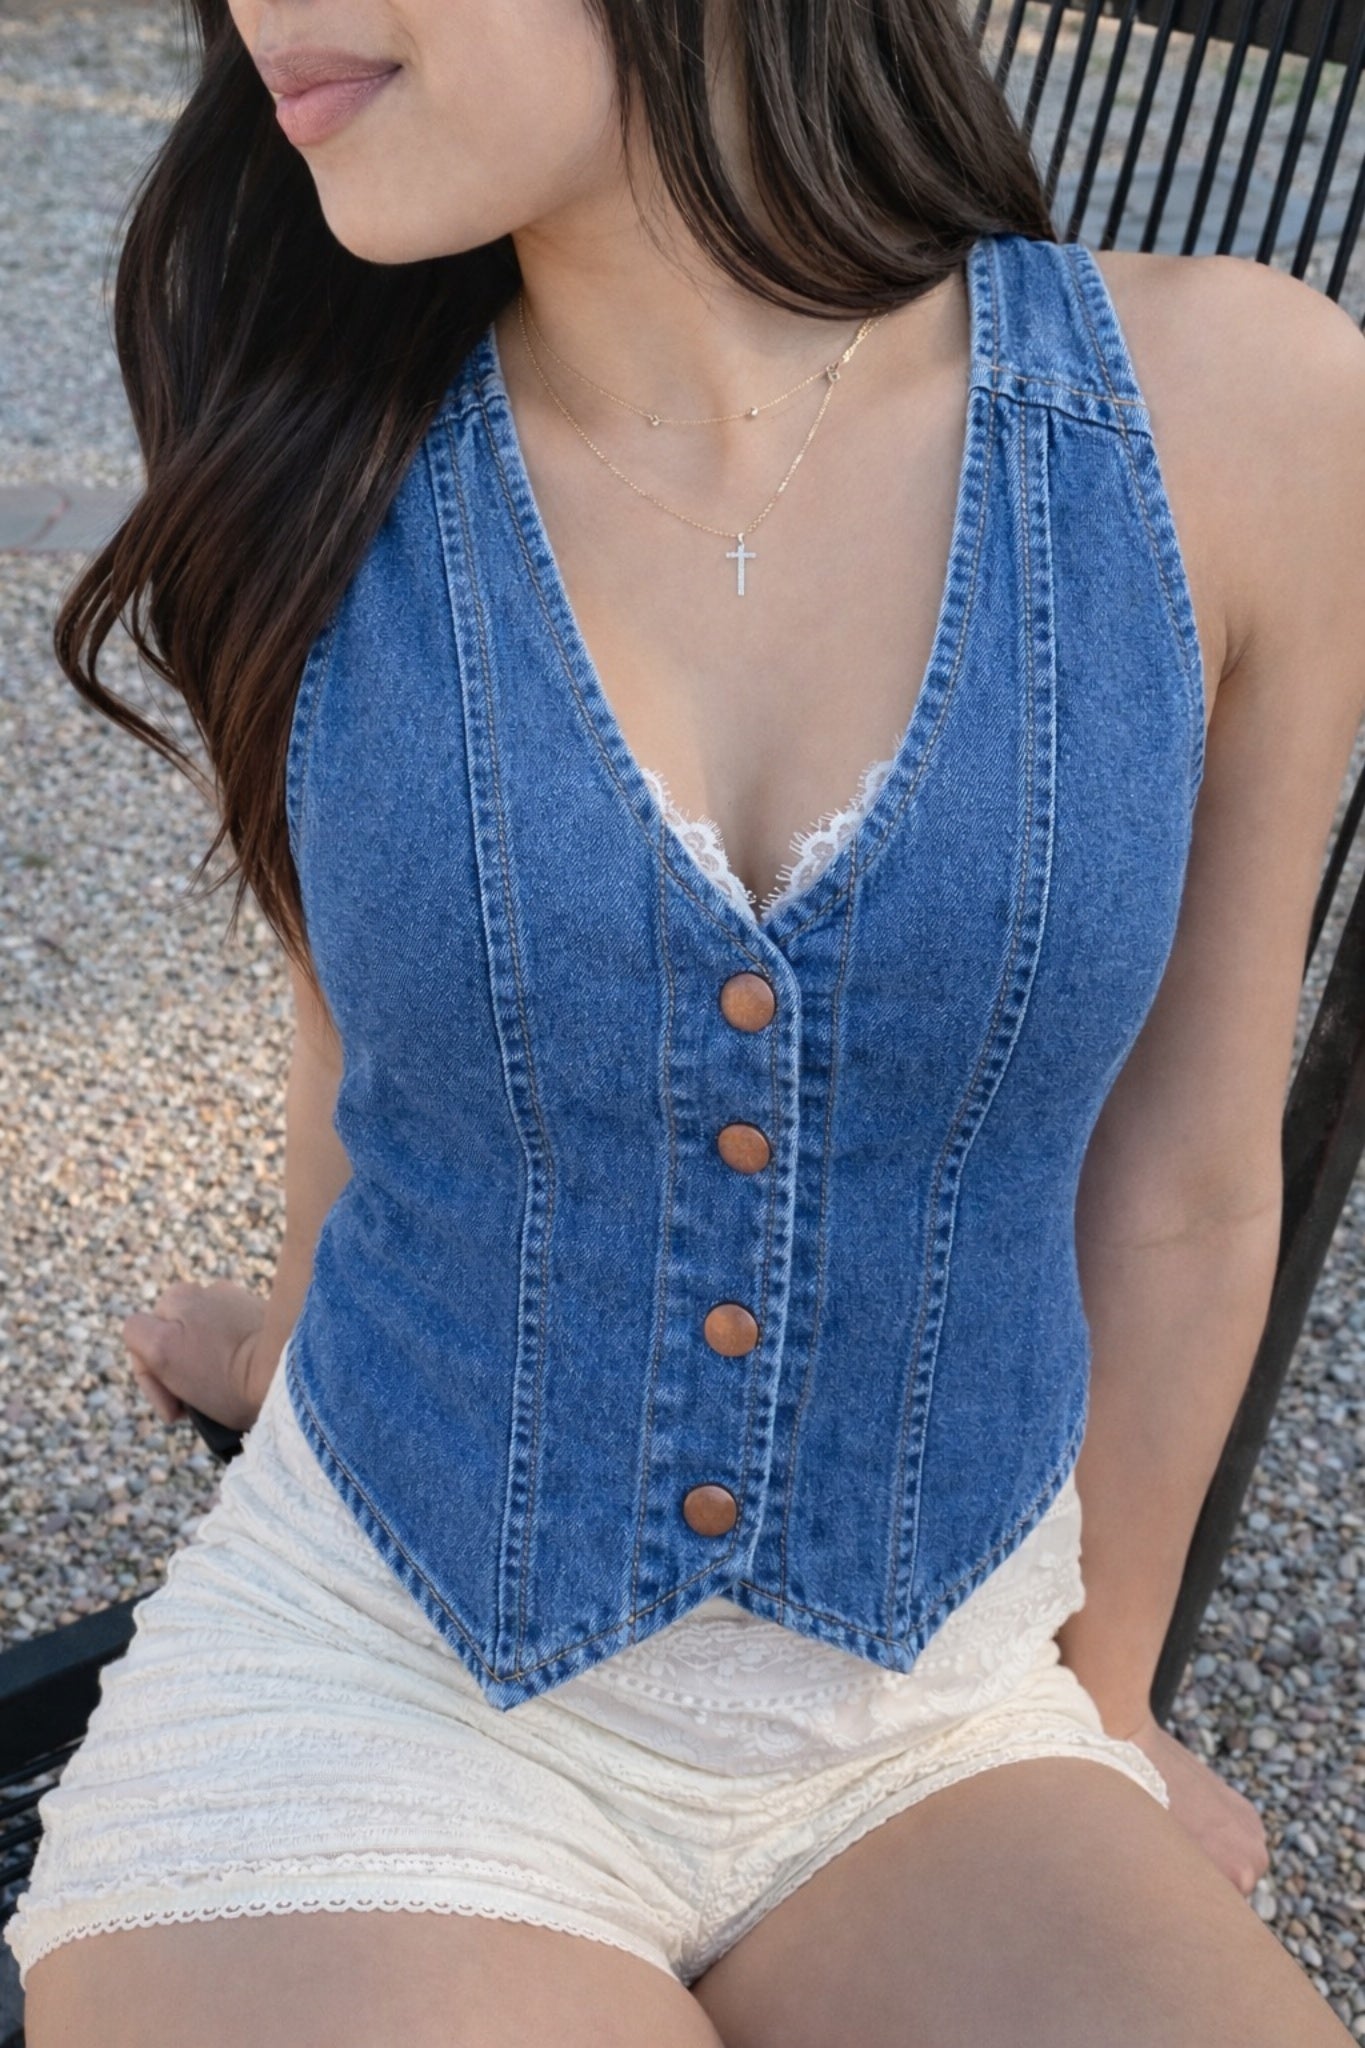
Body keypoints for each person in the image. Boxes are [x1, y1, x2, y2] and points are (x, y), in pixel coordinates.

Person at [9, 0, 1365, 2041]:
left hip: (940, 1711)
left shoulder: (1243, 410)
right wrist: (294, 1350)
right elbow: (359, 1049)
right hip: (380, 1675)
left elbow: (1181, 1183)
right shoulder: (318, 437)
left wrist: (1101, 1725)